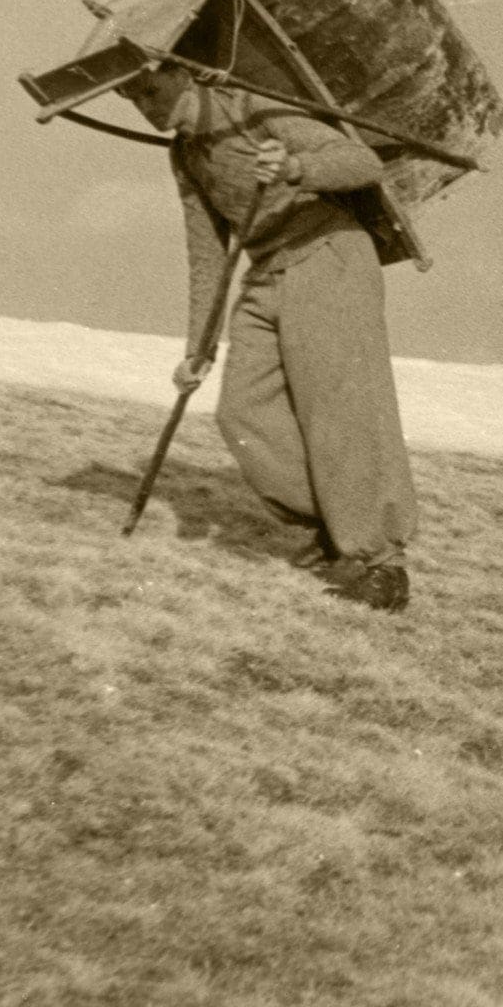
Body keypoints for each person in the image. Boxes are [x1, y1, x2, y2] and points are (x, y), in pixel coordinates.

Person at [119, 60, 416, 612]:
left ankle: (381, 564)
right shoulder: (184, 154)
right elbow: (207, 249)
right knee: (242, 411)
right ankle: (332, 524)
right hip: (266, 270)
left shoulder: (256, 108)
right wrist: (197, 349)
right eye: (132, 97)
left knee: (339, 410)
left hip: (328, 254)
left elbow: (363, 162)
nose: (144, 103)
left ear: (186, 77)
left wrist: (296, 167)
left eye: (151, 88)